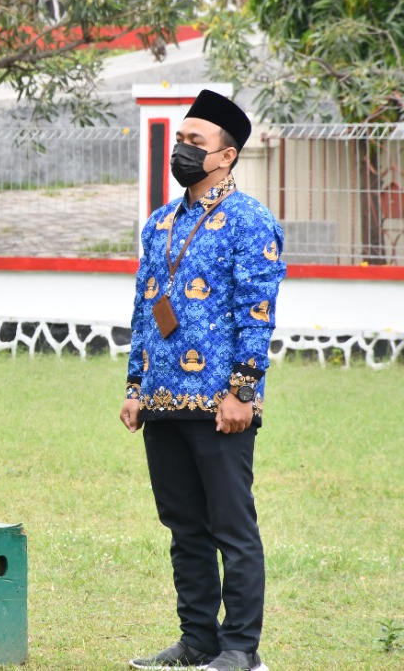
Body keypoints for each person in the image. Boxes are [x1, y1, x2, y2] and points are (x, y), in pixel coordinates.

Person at [122, 89, 285, 671]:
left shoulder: (251, 221)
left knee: (231, 527)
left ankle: (241, 648)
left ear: (227, 155)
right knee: (184, 528)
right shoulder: (160, 223)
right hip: (162, 400)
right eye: (180, 139)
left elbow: (256, 311)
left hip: (222, 402)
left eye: (197, 141)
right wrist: (135, 385)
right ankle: (198, 641)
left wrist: (242, 391)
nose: (183, 149)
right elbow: (146, 306)